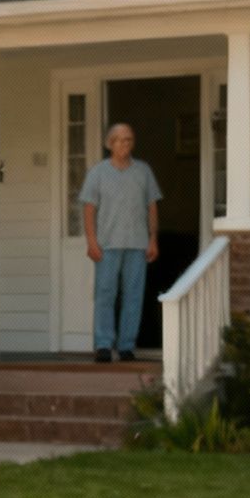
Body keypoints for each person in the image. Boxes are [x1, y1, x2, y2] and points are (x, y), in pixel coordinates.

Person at [79, 122, 163, 363]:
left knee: (133, 296)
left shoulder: (143, 171)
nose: (125, 144)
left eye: (129, 139)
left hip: (137, 244)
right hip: (107, 244)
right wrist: (92, 242)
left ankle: (126, 345)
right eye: (120, 139)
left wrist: (153, 239)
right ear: (110, 144)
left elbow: (152, 206)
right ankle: (104, 345)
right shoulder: (98, 173)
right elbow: (88, 209)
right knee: (105, 294)